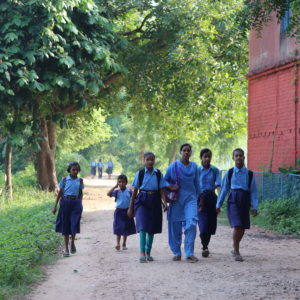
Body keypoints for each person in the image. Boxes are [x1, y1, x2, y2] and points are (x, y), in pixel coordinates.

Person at [216, 148, 258, 262]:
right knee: (237, 225)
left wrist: (255, 207)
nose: (238, 157)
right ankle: (237, 250)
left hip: (244, 201)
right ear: (233, 158)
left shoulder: (249, 174)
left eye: (240, 155)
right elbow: (224, 189)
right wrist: (218, 205)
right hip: (233, 200)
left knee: (243, 227)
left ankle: (235, 246)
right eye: (236, 155)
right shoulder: (230, 173)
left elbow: (253, 191)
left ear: (244, 157)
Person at [127, 152, 167, 263]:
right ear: (144, 161)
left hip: (155, 200)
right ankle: (142, 253)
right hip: (142, 200)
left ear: (154, 161)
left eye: (152, 159)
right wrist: (131, 208)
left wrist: (165, 202)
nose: (150, 161)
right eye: (148, 159)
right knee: (143, 227)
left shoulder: (158, 174)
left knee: (152, 228)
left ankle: (148, 252)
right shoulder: (140, 173)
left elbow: (161, 190)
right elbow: (135, 191)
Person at [165, 143, 200, 263]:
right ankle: (176, 252)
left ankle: (189, 253)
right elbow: (164, 182)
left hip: (190, 199)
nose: (186, 152)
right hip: (176, 200)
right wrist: (171, 187)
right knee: (175, 226)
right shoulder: (173, 166)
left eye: (188, 150)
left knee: (191, 224)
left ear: (191, 153)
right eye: (184, 150)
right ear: (180, 152)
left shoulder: (195, 166)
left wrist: (201, 200)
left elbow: (197, 184)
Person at [52, 162, 84, 257]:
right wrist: (55, 206)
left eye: (77, 170)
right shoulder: (64, 180)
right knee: (65, 226)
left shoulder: (80, 181)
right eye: (73, 169)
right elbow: (60, 193)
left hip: (76, 203)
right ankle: (66, 249)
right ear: (69, 169)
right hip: (65, 202)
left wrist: (80, 204)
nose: (75, 171)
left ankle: (72, 241)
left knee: (74, 224)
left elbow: (80, 193)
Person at [198, 148, 221, 257]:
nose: (207, 159)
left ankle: (206, 245)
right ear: (201, 158)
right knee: (203, 223)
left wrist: (220, 201)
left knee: (211, 223)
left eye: (209, 156)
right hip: (200, 198)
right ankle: (204, 246)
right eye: (205, 156)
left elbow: (218, 186)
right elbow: (194, 186)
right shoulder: (197, 171)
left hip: (212, 198)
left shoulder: (215, 170)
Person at [107, 175, 136, 251]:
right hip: (119, 211)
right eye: (119, 182)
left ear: (126, 183)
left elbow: (134, 198)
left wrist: (132, 209)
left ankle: (124, 243)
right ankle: (118, 243)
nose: (121, 183)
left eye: (123, 182)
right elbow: (108, 194)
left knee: (126, 228)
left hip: (127, 211)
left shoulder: (129, 191)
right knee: (118, 228)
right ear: (118, 183)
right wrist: (115, 186)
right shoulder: (116, 191)